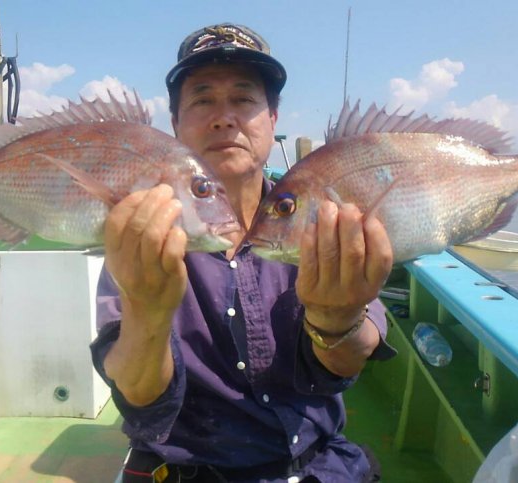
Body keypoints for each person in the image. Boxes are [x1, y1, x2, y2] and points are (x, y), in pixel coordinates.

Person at [90, 23, 397, 482]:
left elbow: (350, 358)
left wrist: (338, 319)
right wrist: (146, 312)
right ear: (175, 126)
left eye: (243, 98)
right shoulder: (145, 234)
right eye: (202, 100)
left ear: (272, 118)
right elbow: (139, 395)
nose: (223, 117)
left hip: (318, 466)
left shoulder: (322, 216)